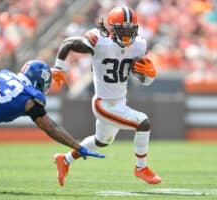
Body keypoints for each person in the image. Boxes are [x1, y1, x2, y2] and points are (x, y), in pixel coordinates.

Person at [52, 6, 161, 186]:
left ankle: (65, 160)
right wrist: (58, 68)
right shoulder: (99, 41)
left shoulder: (139, 45)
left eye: (130, 30)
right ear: (111, 29)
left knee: (101, 142)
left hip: (119, 102)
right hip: (104, 104)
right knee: (143, 122)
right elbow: (68, 43)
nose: (127, 35)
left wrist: (149, 75)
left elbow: (144, 80)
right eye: (122, 30)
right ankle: (141, 168)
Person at [0, 60, 105, 180]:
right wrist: (78, 147)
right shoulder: (30, 97)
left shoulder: (5, 74)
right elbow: (51, 128)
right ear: (38, 82)